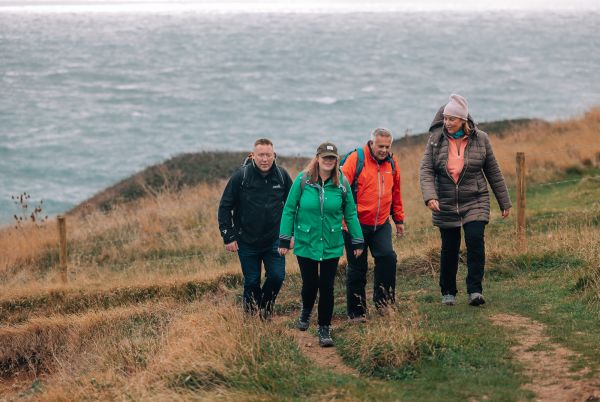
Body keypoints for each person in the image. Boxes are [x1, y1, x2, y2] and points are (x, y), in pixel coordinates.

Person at [419, 94, 512, 306]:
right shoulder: (435, 140)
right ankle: (448, 291)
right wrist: (430, 196)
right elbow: (425, 169)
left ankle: (475, 291)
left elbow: (493, 171)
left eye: (452, 119)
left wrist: (504, 201)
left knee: (475, 240)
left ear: (463, 120)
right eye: (445, 118)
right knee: (450, 248)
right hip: (446, 201)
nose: (447, 123)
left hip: (475, 199)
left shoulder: (481, 139)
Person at [278, 141, 364, 347]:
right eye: (325, 157)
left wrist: (357, 239)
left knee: (326, 287)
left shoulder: (342, 183)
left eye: (332, 158)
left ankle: (324, 328)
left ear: (337, 161)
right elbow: (289, 209)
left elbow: (350, 213)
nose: (328, 161)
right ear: (317, 158)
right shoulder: (303, 180)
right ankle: (306, 310)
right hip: (306, 241)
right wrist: (284, 238)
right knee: (310, 284)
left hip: (331, 243)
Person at [218, 138, 293, 318]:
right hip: (246, 241)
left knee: (276, 277)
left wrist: (291, 234)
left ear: (274, 156)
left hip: (274, 239)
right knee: (251, 282)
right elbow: (224, 207)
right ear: (253, 156)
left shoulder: (282, 176)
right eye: (261, 155)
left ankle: (265, 309)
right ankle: (251, 320)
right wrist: (228, 236)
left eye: (268, 155)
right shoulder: (240, 177)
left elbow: (293, 206)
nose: (264, 159)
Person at [342, 128, 405, 321]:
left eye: (387, 146)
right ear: (371, 143)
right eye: (380, 146)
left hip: (381, 223)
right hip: (356, 224)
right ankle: (356, 312)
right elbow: (340, 190)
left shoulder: (392, 163)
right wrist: (343, 222)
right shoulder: (356, 159)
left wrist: (399, 220)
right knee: (357, 268)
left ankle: (384, 303)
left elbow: (396, 194)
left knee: (387, 258)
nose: (384, 150)